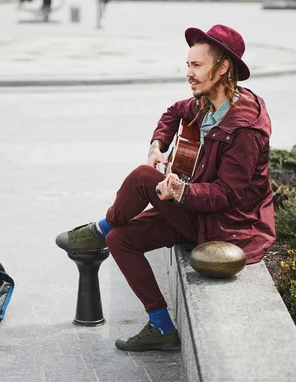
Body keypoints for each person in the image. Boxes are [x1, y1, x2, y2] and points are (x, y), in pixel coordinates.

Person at [56, 24, 275, 352]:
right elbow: (173, 112)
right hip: (197, 212)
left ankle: (101, 227)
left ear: (223, 67)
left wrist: (183, 193)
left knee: (143, 178)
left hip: (228, 226)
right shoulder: (206, 101)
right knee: (122, 239)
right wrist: (159, 144)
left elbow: (230, 196)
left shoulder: (244, 129)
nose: (188, 73)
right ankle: (161, 327)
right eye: (187, 64)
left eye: (196, 65)